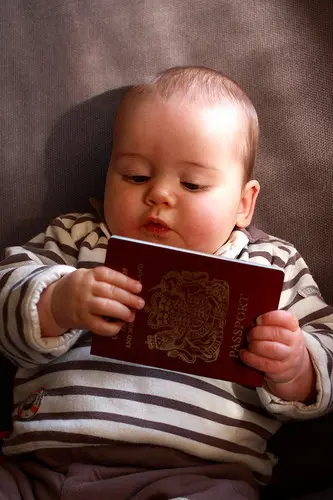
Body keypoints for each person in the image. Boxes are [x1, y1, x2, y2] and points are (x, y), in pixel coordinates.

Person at [0, 66, 332, 500]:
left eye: (192, 184)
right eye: (136, 176)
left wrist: (297, 367)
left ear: (244, 203)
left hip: (196, 475)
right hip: (43, 463)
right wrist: (57, 301)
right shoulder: (78, 238)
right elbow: (7, 296)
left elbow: (327, 349)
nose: (159, 195)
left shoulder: (272, 264)